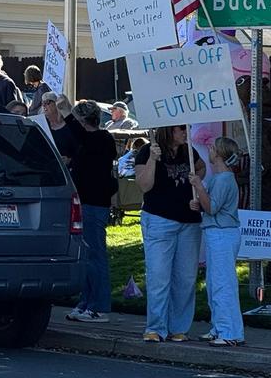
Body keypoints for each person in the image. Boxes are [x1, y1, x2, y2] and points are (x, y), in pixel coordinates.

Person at [135, 125, 205, 342]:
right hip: (159, 220)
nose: (186, 132)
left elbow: (201, 167)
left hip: (189, 221)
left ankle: (178, 328)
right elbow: (144, 185)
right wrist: (152, 159)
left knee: (185, 278)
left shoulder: (189, 151)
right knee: (159, 275)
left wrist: (196, 183)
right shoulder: (147, 151)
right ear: (168, 130)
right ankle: (155, 327)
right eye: (181, 129)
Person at [64, 100, 118, 324]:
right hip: (85, 201)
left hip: (94, 203)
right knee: (86, 255)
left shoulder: (100, 139)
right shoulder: (92, 140)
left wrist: (67, 113)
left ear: (83, 121)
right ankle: (86, 301)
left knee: (96, 254)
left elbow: (77, 132)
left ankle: (99, 306)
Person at [190, 136, 244, 346]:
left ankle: (229, 332)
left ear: (220, 154)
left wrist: (199, 187)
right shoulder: (220, 178)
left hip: (222, 234)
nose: (209, 151)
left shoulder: (223, 179)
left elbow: (212, 208)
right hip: (218, 233)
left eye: (212, 148)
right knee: (215, 283)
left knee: (222, 283)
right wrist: (199, 203)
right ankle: (220, 328)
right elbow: (208, 206)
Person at [40, 92, 78, 164]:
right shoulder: (42, 124)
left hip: (66, 168)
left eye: (47, 102)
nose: (43, 105)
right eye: (42, 102)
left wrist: (69, 160)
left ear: (58, 104)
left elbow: (81, 152)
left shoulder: (71, 126)